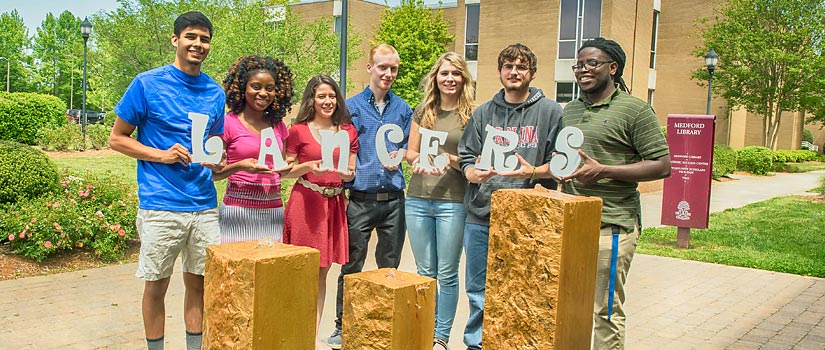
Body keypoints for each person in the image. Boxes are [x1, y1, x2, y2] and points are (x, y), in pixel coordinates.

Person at [108, 11, 224, 350]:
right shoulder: (147, 83)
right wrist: (161, 155)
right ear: (175, 40)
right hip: (161, 204)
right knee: (156, 286)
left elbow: (212, 148)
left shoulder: (215, 93)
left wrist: (220, 160)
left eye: (204, 39)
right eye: (191, 37)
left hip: (204, 206)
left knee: (200, 286)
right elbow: (117, 138)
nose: (198, 45)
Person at [560, 37, 671, 350]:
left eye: (591, 63)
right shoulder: (571, 110)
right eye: (579, 65)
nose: (583, 70)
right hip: (573, 225)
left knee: (605, 311)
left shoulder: (635, 110)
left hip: (611, 226)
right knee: (572, 306)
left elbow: (662, 165)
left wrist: (604, 170)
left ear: (613, 67)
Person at [457, 43, 563, 350]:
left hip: (528, 218)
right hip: (481, 213)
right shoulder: (484, 113)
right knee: (478, 287)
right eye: (508, 66)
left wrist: (533, 172)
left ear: (532, 72)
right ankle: (476, 344)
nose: (514, 72)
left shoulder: (551, 112)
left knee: (524, 286)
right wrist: (471, 174)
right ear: (500, 71)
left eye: (520, 67)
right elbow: (466, 156)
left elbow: (560, 165)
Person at [326, 44, 413, 349]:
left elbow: (409, 148)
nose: (388, 74)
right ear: (370, 68)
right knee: (351, 265)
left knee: (389, 266)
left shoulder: (403, 109)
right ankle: (341, 325)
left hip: (393, 199)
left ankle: (382, 321)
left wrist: (402, 151)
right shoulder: (349, 107)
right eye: (383, 67)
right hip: (360, 199)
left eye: (393, 69)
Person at [404, 51, 475, 350]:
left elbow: (474, 161)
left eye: (455, 73)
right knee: (424, 272)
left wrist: (452, 160)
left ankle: (440, 338)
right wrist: (417, 160)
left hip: (453, 201)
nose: (450, 79)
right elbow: (409, 153)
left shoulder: (472, 114)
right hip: (418, 199)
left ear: (463, 79)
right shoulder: (423, 111)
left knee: (446, 273)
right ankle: (424, 330)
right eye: (444, 73)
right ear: (436, 77)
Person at [282, 75, 357, 350]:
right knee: (301, 270)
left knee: (322, 273)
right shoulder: (299, 130)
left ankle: (311, 338)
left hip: (333, 204)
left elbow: (351, 173)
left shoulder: (347, 131)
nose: (327, 101)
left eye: (331, 96)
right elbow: (286, 171)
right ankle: (293, 332)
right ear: (312, 99)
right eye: (321, 96)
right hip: (306, 203)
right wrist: (308, 167)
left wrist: (346, 174)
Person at [213, 55, 294, 243]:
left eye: (270, 88)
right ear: (242, 88)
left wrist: (288, 167)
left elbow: (279, 170)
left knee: (271, 270)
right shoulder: (227, 123)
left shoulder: (278, 126)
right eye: (256, 87)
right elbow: (213, 175)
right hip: (238, 210)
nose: (263, 93)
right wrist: (240, 166)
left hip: (273, 210)